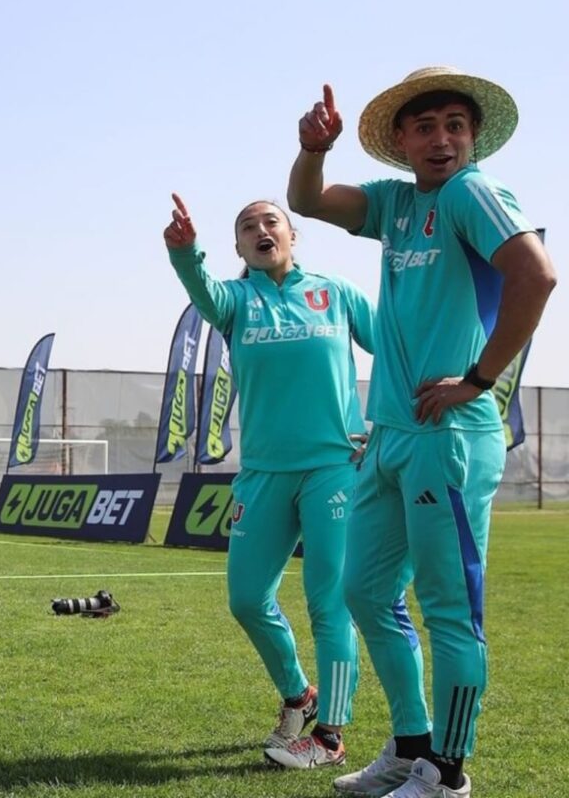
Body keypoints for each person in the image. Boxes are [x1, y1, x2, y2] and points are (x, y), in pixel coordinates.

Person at [287, 69, 557, 797]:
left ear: (471, 137)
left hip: (451, 433)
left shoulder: (474, 191)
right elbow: (307, 201)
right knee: (366, 591)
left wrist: (478, 379)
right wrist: (315, 149)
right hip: (392, 437)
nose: (443, 139)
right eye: (427, 126)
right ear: (401, 141)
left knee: (449, 610)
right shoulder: (398, 204)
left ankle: (448, 773)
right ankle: (410, 750)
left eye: (456, 125)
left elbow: (537, 275)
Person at [165, 194, 374, 769]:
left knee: (329, 602)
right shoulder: (235, 300)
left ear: (292, 235)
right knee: (247, 598)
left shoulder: (335, 293)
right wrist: (186, 253)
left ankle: (330, 734)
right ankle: (298, 694)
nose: (261, 229)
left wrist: (384, 423)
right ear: (237, 247)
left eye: (271, 221)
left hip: (334, 467)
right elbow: (203, 291)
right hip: (262, 475)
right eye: (247, 227)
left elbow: (397, 350)